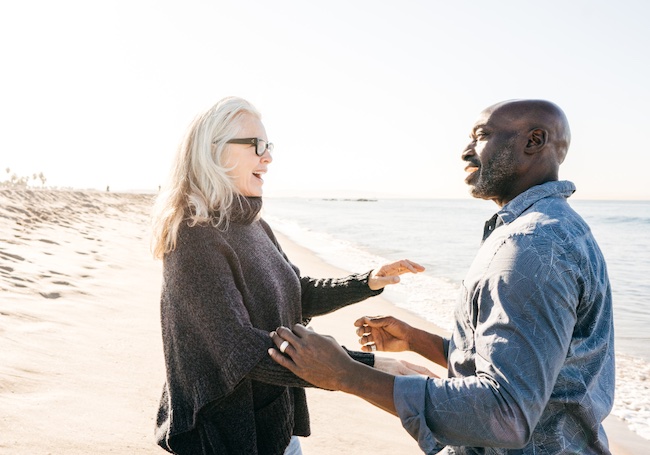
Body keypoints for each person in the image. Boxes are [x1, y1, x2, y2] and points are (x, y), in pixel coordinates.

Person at [269, 99, 615, 454]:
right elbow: (532, 364)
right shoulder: (560, 228)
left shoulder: (529, 245)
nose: (466, 152)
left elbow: (505, 414)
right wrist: (418, 341)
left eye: (481, 136)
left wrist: (347, 375)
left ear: (533, 141)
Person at [150, 96, 426, 455]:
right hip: (221, 435)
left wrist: (368, 280)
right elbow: (239, 349)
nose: (268, 157)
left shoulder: (253, 223)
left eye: (269, 146)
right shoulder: (194, 234)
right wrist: (367, 365)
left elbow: (295, 294)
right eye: (257, 146)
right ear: (214, 151)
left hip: (272, 426)